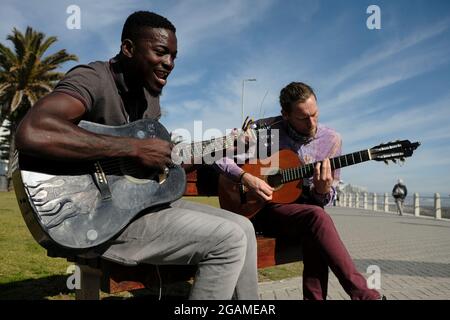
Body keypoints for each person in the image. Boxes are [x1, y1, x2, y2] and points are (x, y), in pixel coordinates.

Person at [15, 11, 258, 300]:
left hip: (138, 209)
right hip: (94, 219)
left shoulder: (148, 98)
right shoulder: (93, 78)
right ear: (128, 48)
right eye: (161, 52)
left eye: (174, 56)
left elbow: (152, 168)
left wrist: (220, 149)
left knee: (244, 227)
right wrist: (131, 148)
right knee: (228, 240)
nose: (169, 63)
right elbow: (32, 131)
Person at [215, 82, 382, 300]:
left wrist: (322, 191)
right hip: (257, 208)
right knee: (316, 219)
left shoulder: (332, 140)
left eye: (315, 114)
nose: (312, 123)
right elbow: (218, 154)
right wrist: (246, 177)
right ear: (285, 115)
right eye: (303, 118)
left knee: (316, 221)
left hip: (299, 213)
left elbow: (326, 196)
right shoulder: (265, 129)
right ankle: (365, 296)